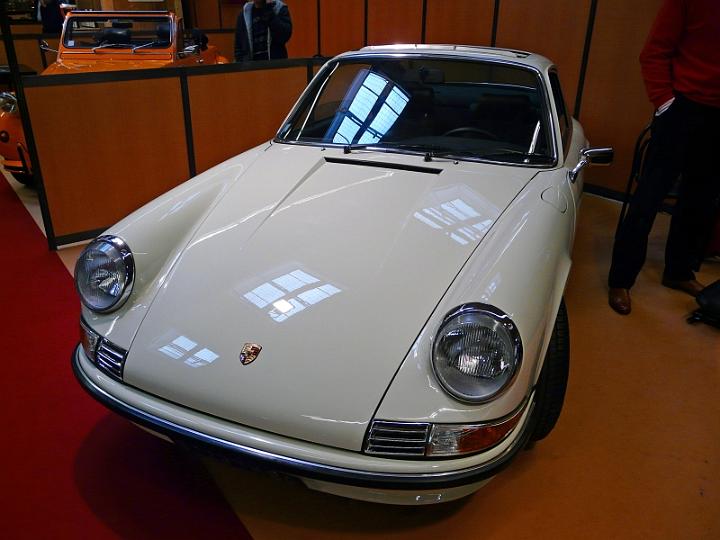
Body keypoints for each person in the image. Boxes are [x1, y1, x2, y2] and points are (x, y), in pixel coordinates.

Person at [607, 0, 720, 315]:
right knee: (648, 199)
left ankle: (678, 272)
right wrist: (666, 104)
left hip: (717, 119)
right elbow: (653, 53)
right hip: (681, 110)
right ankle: (621, 280)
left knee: (699, 201)